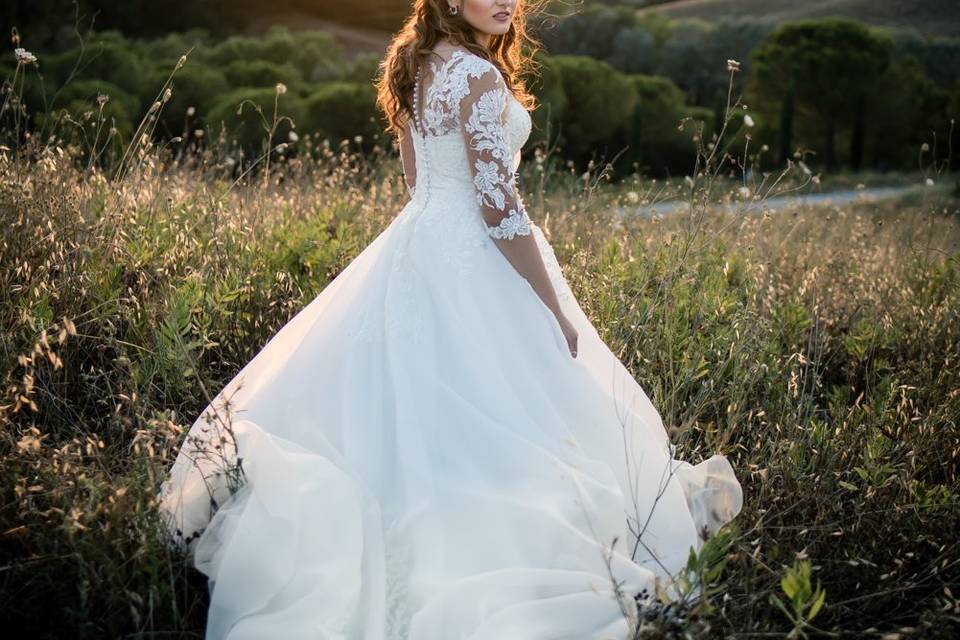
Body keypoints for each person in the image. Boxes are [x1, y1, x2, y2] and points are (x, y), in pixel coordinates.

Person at [157, 1, 744, 638]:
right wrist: (553, 310)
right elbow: (499, 208)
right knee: (526, 406)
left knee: (408, 412)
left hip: (417, 245)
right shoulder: (480, 77)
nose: (505, 2)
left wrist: (443, 221)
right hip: (476, 255)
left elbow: (417, 179)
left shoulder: (414, 67)